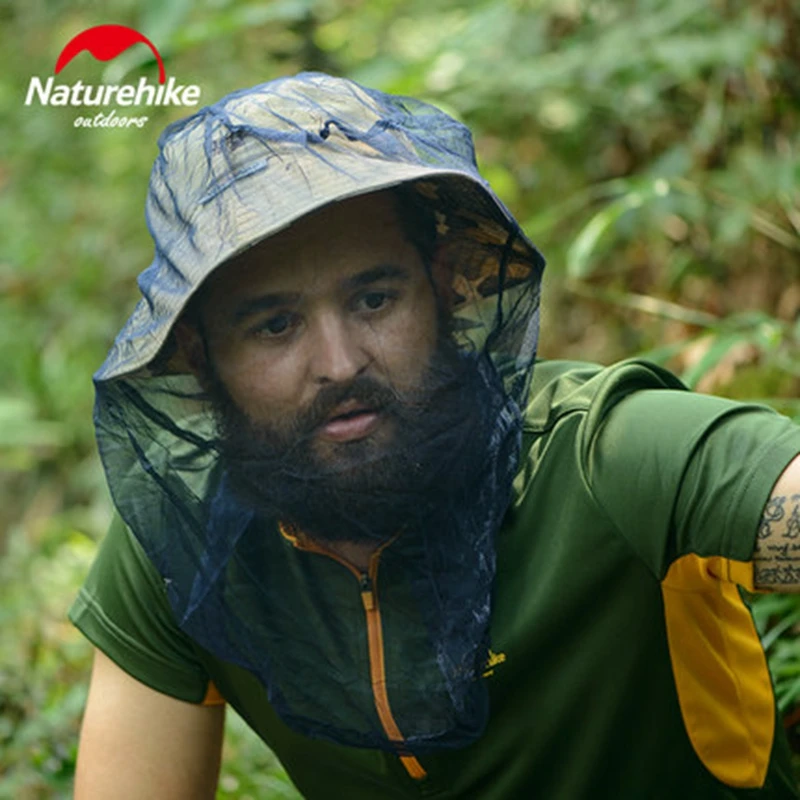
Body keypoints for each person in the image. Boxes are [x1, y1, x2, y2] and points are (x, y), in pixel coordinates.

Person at [70, 72, 800, 799]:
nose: (339, 363)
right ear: (201, 357)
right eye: (276, 325)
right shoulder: (186, 546)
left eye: (374, 299)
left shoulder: (601, 456)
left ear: (444, 288)